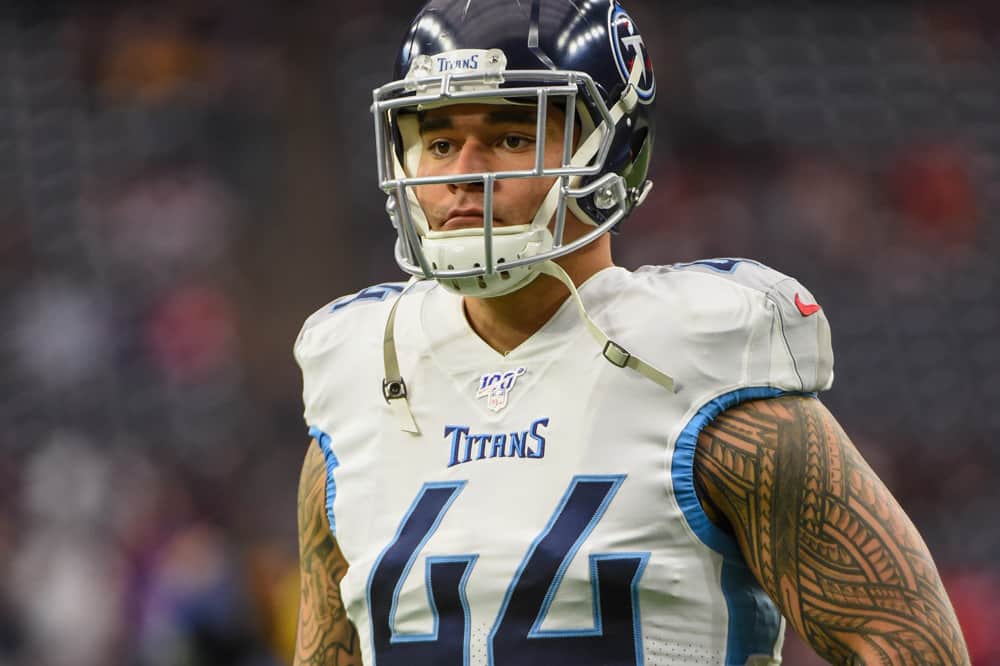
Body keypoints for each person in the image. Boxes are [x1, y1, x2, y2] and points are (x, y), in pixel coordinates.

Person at [292, 1, 970, 664]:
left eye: (509, 137)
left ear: (611, 150)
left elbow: (907, 645)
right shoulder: (364, 379)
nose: (464, 172)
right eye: (439, 143)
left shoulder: (710, 378)